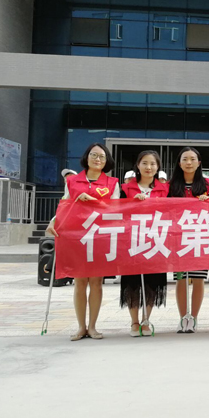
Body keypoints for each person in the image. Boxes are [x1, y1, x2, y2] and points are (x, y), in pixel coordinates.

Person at [46, 143, 120, 341]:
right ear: (86, 157)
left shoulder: (112, 182)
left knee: (96, 282)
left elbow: (115, 209)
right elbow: (64, 204)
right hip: (76, 236)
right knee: (79, 282)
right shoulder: (72, 181)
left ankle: (93, 326)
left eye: (102, 156)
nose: (97, 159)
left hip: (100, 236)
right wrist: (53, 222)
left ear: (107, 161)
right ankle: (81, 327)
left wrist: (96, 202)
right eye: (94, 155)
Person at [119, 151, 169, 337]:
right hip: (131, 240)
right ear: (138, 165)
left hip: (156, 240)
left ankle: (146, 320)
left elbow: (173, 210)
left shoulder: (166, 189)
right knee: (132, 281)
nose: (149, 167)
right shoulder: (125, 188)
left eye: (153, 164)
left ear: (158, 167)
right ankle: (134, 322)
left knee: (152, 281)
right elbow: (117, 211)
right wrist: (131, 203)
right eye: (145, 163)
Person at [167, 147, 209, 333]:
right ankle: (182, 317)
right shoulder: (171, 186)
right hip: (178, 238)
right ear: (179, 163)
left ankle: (193, 318)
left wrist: (207, 202)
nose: (188, 162)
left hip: (199, 236)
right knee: (181, 278)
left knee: (198, 278)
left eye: (193, 159)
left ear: (199, 163)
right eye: (185, 159)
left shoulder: (208, 185)